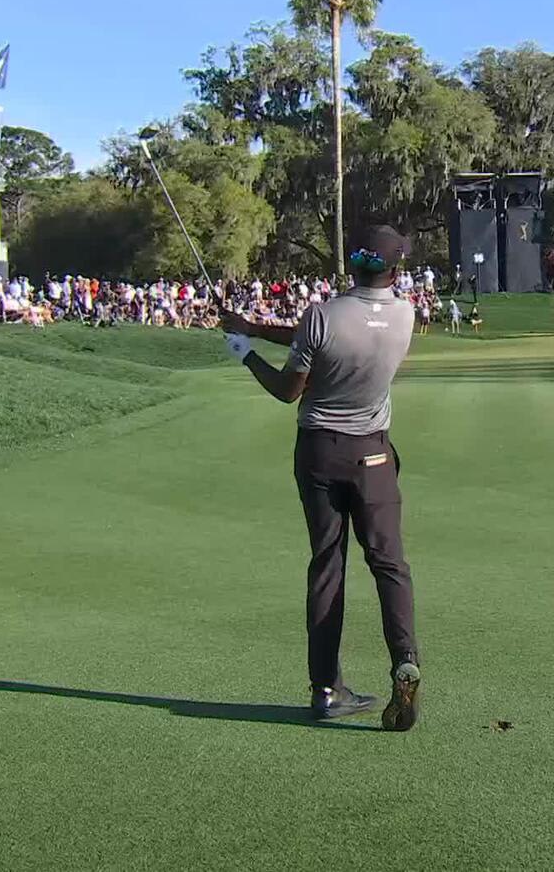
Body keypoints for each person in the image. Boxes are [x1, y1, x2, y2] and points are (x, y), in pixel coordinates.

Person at [221, 224, 422, 731]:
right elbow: (321, 336)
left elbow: (289, 387)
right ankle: (405, 658)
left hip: (320, 454)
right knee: (390, 564)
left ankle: (327, 689)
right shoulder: (406, 314)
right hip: (374, 456)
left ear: (352, 263)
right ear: (394, 269)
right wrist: (254, 326)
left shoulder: (321, 316)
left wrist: (244, 351)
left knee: (328, 566)